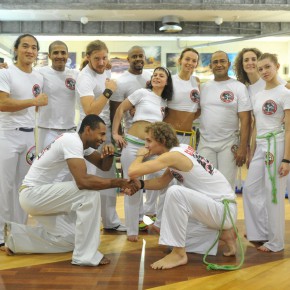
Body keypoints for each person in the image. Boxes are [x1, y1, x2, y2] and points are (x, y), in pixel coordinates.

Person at [3, 114, 139, 266]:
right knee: (89, 193)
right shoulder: (71, 140)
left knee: (70, 239)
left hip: (38, 197)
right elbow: (82, 181)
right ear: (88, 129)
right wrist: (118, 182)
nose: (103, 139)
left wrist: (109, 154)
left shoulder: (80, 144)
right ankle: (85, 256)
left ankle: (16, 239)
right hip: (33, 194)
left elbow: (103, 166)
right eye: (101, 134)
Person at [128, 122, 237, 270]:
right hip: (222, 209)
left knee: (175, 192)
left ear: (162, 141)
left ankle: (179, 254)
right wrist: (140, 185)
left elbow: (132, 172)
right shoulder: (181, 150)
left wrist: (140, 154)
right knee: (173, 240)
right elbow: (161, 182)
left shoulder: (173, 156)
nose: (146, 145)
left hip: (223, 209)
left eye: (149, 141)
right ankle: (223, 234)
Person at [112, 67, 173, 242]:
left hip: (153, 150)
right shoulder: (141, 93)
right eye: (155, 75)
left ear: (167, 81)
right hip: (132, 145)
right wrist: (116, 134)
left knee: (167, 181)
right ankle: (132, 230)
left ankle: (159, 222)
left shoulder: (165, 103)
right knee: (131, 185)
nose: (157, 77)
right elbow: (120, 110)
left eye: (161, 75)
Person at [0, 34, 48, 250]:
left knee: (23, 188)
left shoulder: (39, 77)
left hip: (30, 137)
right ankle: (1, 234)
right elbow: (3, 104)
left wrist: (37, 103)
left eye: (34, 47)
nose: (30, 50)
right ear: (16, 49)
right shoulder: (6, 73)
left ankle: (18, 232)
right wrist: (33, 101)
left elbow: (37, 105)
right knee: (3, 186)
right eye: (25, 46)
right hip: (7, 135)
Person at [242, 53, 290, 252]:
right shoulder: (258, 95)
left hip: (277, 144)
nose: (263, 72)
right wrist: (252, 149)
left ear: (277, 66)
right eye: (260, 69)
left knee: (273, 193)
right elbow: (255, 125)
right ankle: (260, 233)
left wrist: (287, 159)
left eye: (267, 67)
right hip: (261, 145)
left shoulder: (285, 93)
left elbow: (289, 128)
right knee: (250, 189)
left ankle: (276, 242)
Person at [75, 40, 124, 231]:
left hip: (106, 132)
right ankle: (88, 225)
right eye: (97, 58)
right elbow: (89, 111)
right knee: (90, 179)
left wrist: (115, 130)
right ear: (88, 58)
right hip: (89, 133)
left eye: (104, 57)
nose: (102, 62)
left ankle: (111, 222)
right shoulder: (84, 77)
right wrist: (108, 90)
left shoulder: (107, 71)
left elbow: (110, 106)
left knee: (109, 175)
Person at [109, 46, 154, 229]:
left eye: (140, 56)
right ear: (128, 59)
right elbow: (117, 111)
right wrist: (116, 134)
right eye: (134, 56)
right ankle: (133, 223)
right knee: (132, 180)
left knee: (150, 181)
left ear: (145, 58)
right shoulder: (121, 82)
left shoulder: (150, 77)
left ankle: (147, 216)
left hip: (152, 141)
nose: (138, 59)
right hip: (132, 138)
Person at [198, 50, 252, 189]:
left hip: (229, 144)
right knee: (206, 186)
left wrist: (243, 147)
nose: (219, 64)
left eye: (222, 61)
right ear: (210, 65)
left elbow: (246, 120)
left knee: (226, 187)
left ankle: (227, 212)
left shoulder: (238, 87)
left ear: (228, 64)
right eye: (215, 62)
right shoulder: (203, 88)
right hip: (205, 144)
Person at [37, 40, 79, 152]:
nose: (60, 56)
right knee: (46, 167)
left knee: (67, 168)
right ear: (49, 55)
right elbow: (22, 76)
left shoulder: (75, 74)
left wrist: (107, 71)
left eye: (63, 52)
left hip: (69, 129)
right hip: (47, 129)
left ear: (67, 55)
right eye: (56, 53)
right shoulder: (39, 73)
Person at [164, 47, 201, 146]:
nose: (190, 63)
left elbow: (200, 108)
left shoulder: (196, 81)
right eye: (187, 59)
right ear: (180, 60)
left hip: (188, 136)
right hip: (169, 134)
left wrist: (187, 119)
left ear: (196, 64)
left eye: (194, 61)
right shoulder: (170, 80)